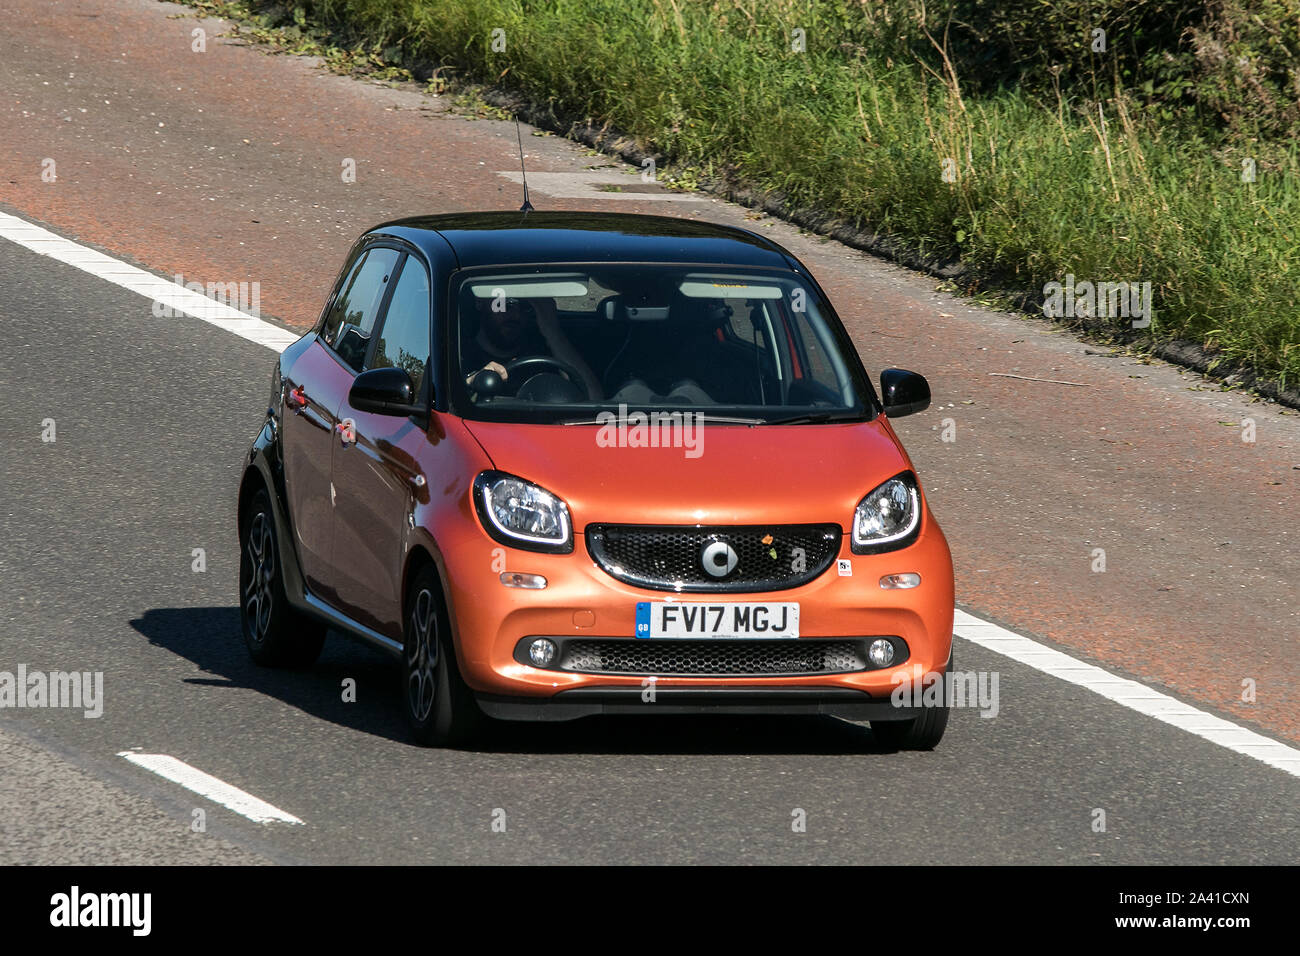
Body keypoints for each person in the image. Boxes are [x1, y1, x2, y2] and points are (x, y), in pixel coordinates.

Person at [463, 296, 603, 399]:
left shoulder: (546, 352)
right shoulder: (460, 354)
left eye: (525, 307)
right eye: (505, 304)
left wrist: (553, 332)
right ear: (480, 302)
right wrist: (472, 383)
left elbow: (594, 399)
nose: (516, 315)